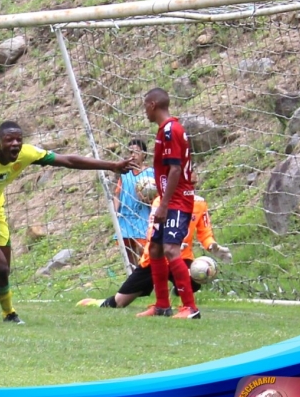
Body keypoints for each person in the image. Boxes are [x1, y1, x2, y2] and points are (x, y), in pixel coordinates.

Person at [0, 120, 133, 325]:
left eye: (19, 139)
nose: (16, 144)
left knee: (0, 271)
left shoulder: (27, 153)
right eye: (10, 139)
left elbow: (67, 160)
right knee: (0, 267)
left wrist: (111, 164)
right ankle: (9, 314)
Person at [78, 188, 232, 310]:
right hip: (154, 260)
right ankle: (95, 303)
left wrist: (212, 245)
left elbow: (205, 233)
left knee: (197, 276)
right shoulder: (160, 203)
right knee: (119, 303)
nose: (191, 177)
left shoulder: (199, 204)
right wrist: (170, 243)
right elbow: (152, 233)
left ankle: (180, 299)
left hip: (181, 258)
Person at [141, 87, 199, 319]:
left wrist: (164, 204)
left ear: (153, 105)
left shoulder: (170, 131)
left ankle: (190, 307)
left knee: (171, 249)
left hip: (176, 201)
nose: (145, 110)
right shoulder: (164, 130)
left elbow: (175, 170)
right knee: (155, 248)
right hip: (168, 199)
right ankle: (162, 305)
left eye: (145, 106)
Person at [112, 139, 154, 267]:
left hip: (142, 215)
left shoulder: (151, 173)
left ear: (144, 154)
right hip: (125, 216)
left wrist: (149, 199)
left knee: (144, 249)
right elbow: (118, 194)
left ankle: (147, 275)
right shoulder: (125, 173)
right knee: (128, 252)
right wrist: (115, 213)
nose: (133, 155)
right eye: (130, 152)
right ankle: (134, 278)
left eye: (136, 152)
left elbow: (157, 195)